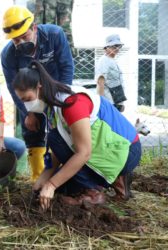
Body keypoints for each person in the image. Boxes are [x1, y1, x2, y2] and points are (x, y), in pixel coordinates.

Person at [12, 60, 141, 211]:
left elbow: (84, 153)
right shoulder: (53, 104)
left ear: (39, 86)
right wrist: (44, 179)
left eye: (27, 99)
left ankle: (94, 193)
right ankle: (113, 179)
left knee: (58, 184)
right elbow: (60, 147)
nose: (27, 106)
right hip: (103, 150)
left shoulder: (73, 103)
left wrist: (51, 184)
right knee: (62, 186)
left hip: (125, 150)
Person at [0, 5, 74, 183]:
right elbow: (13, 87)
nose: (20, 43)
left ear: (34, 27)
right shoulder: (8, 55)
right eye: (15, 40)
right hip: (31, 98)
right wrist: (29, 113)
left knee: (64, 129)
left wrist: (61, 100)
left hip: (57, 91)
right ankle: (37, 178)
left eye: (24, 37)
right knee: (32, 128)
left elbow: (67, 67)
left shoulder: (54, 35)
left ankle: (67, 174)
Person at [95, 34, 127, 112]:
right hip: (108, 103)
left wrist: (121, 103)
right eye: (114, 46)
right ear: (107, 47)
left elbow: (117, 82)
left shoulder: (112, 60)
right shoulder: (104, 61)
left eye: (119, 46)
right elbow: (100, 82)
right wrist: (102, 104)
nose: (117, 48)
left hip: (116, 101)